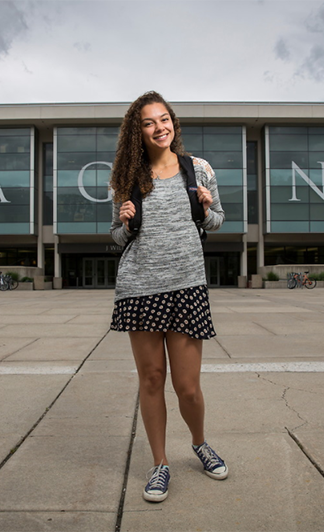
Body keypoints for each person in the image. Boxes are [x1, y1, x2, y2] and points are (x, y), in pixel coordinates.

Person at [109, 91, 227, 503]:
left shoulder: (199, 169)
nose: (159, 127)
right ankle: (160, 464)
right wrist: (123, 223)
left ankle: (199, 441)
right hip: (140, 287)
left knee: (188, 386)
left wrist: (209, 207)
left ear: (173, 123)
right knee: (153, 378)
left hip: (187, 284)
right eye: (149, 122)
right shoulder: (128, 176)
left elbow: (215, 222)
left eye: (164, 119)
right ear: (136, 131)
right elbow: (118, 237)